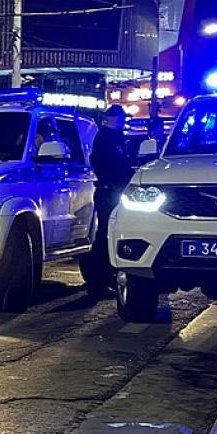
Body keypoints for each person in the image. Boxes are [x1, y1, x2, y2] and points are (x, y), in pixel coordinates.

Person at [87, 105, 134, 296]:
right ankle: (97, 281)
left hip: (117, 189)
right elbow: (99, 163)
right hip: (109, 191)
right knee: (105, 235)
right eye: (121, 117)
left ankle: (106, 278)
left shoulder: (117, 137)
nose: (123, 121)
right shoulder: (104, 137)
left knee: (112, 234)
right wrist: (109, 184)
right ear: (112, 118)